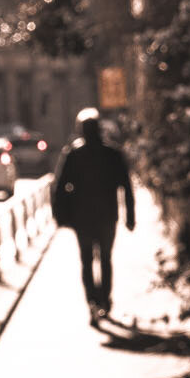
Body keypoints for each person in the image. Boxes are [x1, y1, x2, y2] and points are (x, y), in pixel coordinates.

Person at [52, 108, 135, 323]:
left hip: (82, 218)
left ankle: (93, 302)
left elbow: (59, 187)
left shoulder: (73, 154)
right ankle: (104, 300)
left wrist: (60, 216)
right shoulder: (112, 153)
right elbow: (126, 186)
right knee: (105, 259)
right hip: (107, 216)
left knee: (87, 261)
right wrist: (130, 215)